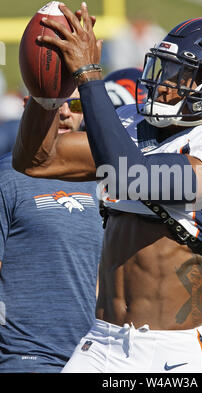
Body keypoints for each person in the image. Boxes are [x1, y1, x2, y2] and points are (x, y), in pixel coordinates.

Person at [13, 3, 202, 373]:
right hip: (100, 340)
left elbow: (134, 177)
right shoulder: (133, 122)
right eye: (164, 69)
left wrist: (88, 75)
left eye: (182, 75)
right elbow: (37, 161)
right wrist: (46, 97)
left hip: (168, 352)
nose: (163, 83)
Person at [0, 87, 103, 373]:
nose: (65, 112)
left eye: (77, 104)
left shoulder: (102, 181)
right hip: (24, 359)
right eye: (53, 103)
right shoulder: (6, 179)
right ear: (27, 107)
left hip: (91, 358)